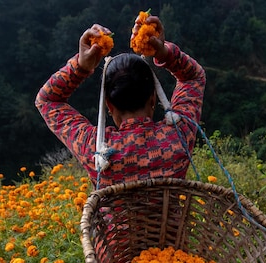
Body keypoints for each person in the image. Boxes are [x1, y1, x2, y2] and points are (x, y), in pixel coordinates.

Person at [35, 15, 206, 188]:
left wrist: (80, 66)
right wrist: (164, 53)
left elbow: (48, 100)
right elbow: (194, 78)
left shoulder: (95, 149)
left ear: (109, 106)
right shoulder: (178, 136)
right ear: (153, 98)